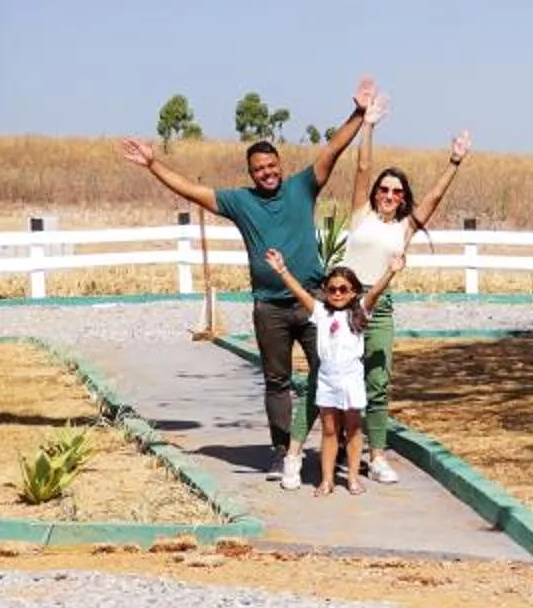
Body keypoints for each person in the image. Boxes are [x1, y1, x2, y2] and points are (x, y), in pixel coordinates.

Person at [116, 78, 377, 488]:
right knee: (277, 381)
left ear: (280, 165)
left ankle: (338, 445)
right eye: (259, 169)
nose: (267, 173)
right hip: (269, 307)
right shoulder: (240, 201)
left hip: (313, 303)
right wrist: (153, 165)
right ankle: (282, 451)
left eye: (271, 166)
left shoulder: (302, 187)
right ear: (251, 173)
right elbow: (193, 191)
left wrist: (358, 114)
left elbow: (332, 150)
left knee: (329, 371)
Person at [345, 112, 473, 482]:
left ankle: (376, 456)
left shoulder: (405, 227)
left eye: (397, 192)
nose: (389, 195)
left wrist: (454, 162)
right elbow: (362, 167)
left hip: (379, 307)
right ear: (375, 193)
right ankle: (330, 450)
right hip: (344, 301)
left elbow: (434, 197)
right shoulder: (360, 214)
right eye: (384, 189)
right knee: (338, 379)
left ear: (403, 199)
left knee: (377, 383)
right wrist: (368, 124)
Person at [264, 248, 402, 496]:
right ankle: (327, 480)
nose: (337, 294)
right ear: (325, 291)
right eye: (332, 289)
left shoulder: (360, 312)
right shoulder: (321, 313)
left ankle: (352, 478)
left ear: (353, 292)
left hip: (351, 381)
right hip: (327, 381)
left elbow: (374, 292)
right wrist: (282, 271)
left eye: (343, 289)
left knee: (353, 429)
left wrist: (390, 272)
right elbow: (300, 293)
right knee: (329, 430)